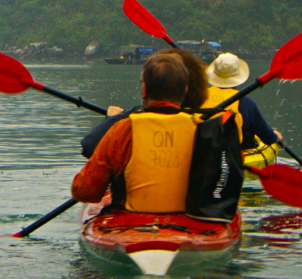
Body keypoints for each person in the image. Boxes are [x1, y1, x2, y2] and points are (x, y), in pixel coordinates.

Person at [71, 52, 198, 213]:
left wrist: (111, 120)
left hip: (131, 224)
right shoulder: (203, 128)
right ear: (185, 91)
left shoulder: (122, 129)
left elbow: (84, 191)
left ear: (144, 90)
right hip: (188, 226)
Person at [202, 53, 281, 149]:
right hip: (237, 156)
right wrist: (276, 136)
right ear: (237, 76)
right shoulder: (247, 104)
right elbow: (267, 138)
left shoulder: (198, 98)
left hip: (205, 151)